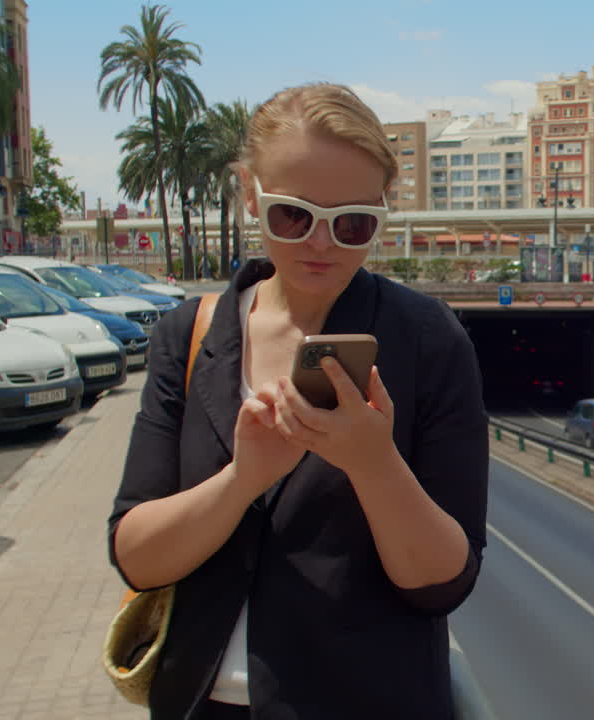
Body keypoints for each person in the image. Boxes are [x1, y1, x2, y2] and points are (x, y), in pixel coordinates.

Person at [107, 83, 488, 719]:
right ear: (251, 195)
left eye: (353, 224)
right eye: (293, 214)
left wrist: (372, 462)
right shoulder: (189, 334)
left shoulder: (429, 340)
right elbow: (137, 558)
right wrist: (242, 480)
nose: (321, 243)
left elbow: (443, 582)